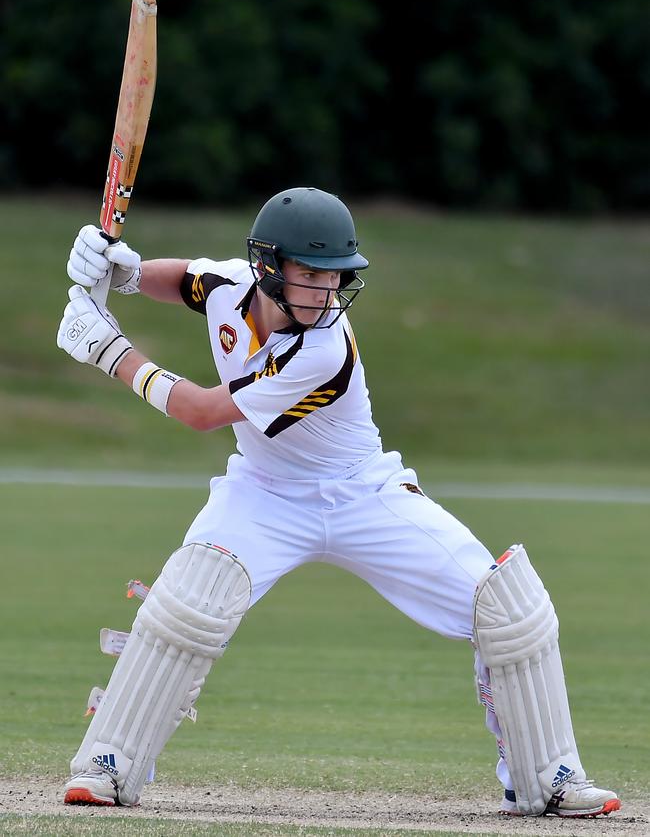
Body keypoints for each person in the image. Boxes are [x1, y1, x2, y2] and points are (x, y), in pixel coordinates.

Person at [57, 187, 620, 818]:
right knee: (187, 602)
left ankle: (550, 775)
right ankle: (109, 762)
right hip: (262, 493)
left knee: (508, 609)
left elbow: (200, 412)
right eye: (311, 274)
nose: (326, 292)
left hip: (361, 493)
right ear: (268, 268)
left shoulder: (323, 348)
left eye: (335, 277)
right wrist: (123, 273)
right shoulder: (228, 283)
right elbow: (182, 280)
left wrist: (107, 349)